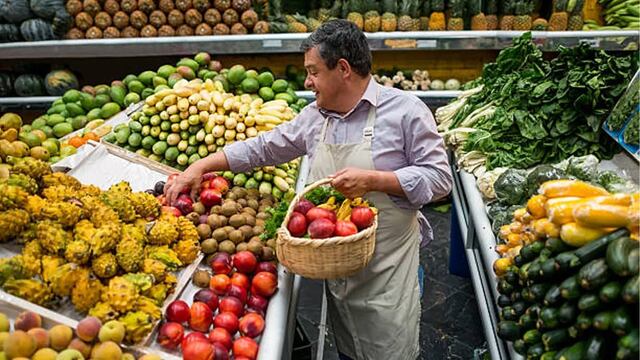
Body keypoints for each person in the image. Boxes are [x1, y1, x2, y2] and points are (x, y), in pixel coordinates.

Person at [165, 19, 452, 360]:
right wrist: (202, 165)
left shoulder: (406, 112)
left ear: (342, 69)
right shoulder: (316, 116)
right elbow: (263, 148)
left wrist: (376, 181)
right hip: (337, 265)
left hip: (386, 269)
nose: (307, 81)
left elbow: (439, 179)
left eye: (313, 72)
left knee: (388, 348)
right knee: (348, 344)